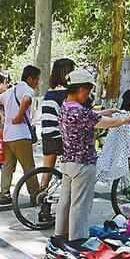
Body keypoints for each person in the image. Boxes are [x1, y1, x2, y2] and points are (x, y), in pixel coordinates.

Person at [54, 69, 130, 240]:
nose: (88, 95)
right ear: (81, 89)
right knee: (80, 207)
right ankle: (77, 241)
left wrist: (107, 111)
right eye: (88, 91)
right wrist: (125, 119)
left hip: (67, 163)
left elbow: (93, 116)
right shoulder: (80, 112)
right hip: (83, 165)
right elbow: (107, 124)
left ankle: (60, 236)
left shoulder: (65, 107)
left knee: (65, 203)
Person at [0, 65, 41, 206]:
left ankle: (4, 194)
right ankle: (35, 195)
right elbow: (26, 100)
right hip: (21, 135)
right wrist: (19, 116)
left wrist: (2, 116)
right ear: (30, 78)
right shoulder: (27, 89)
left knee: (8, 166)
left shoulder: (11, 90)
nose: (37, 83)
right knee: (28, 167)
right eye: (37, 79)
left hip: (8, 135)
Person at [40, 58, 75, 190]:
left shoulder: (50, 92)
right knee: (74, 169)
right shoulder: (65, 94)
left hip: (47, 135)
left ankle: (42, 198)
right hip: (59, 137)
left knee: (46, 173)